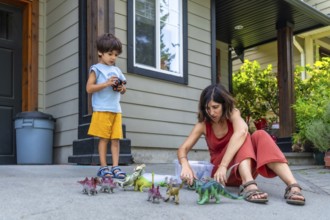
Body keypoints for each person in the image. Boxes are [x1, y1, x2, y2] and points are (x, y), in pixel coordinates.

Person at [177, 84, 305, 205]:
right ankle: (248, 184)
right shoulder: (203, 124)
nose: (211, 112)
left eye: (215, 107)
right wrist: (185, 165)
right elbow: (183, 148)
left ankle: (293, 186)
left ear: (224, 105)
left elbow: (242, 131)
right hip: (221, 174)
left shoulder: (233, 113)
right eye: (207, 108)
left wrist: (224, 165)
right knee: (242, 135)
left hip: (241, 166)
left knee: (259, 134)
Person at [86, 33, 127, 179]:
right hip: (102, 110)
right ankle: (104, 167)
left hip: (116, 110)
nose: (113, 58)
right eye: (110, 54)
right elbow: (89, 88)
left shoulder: (117, 71)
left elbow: (123, 89)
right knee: (103, 139)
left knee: (115, 139)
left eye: (116, 55)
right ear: (100, 53)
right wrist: (106, 83)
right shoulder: (96, 69)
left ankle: (115, 167)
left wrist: (121, 88)